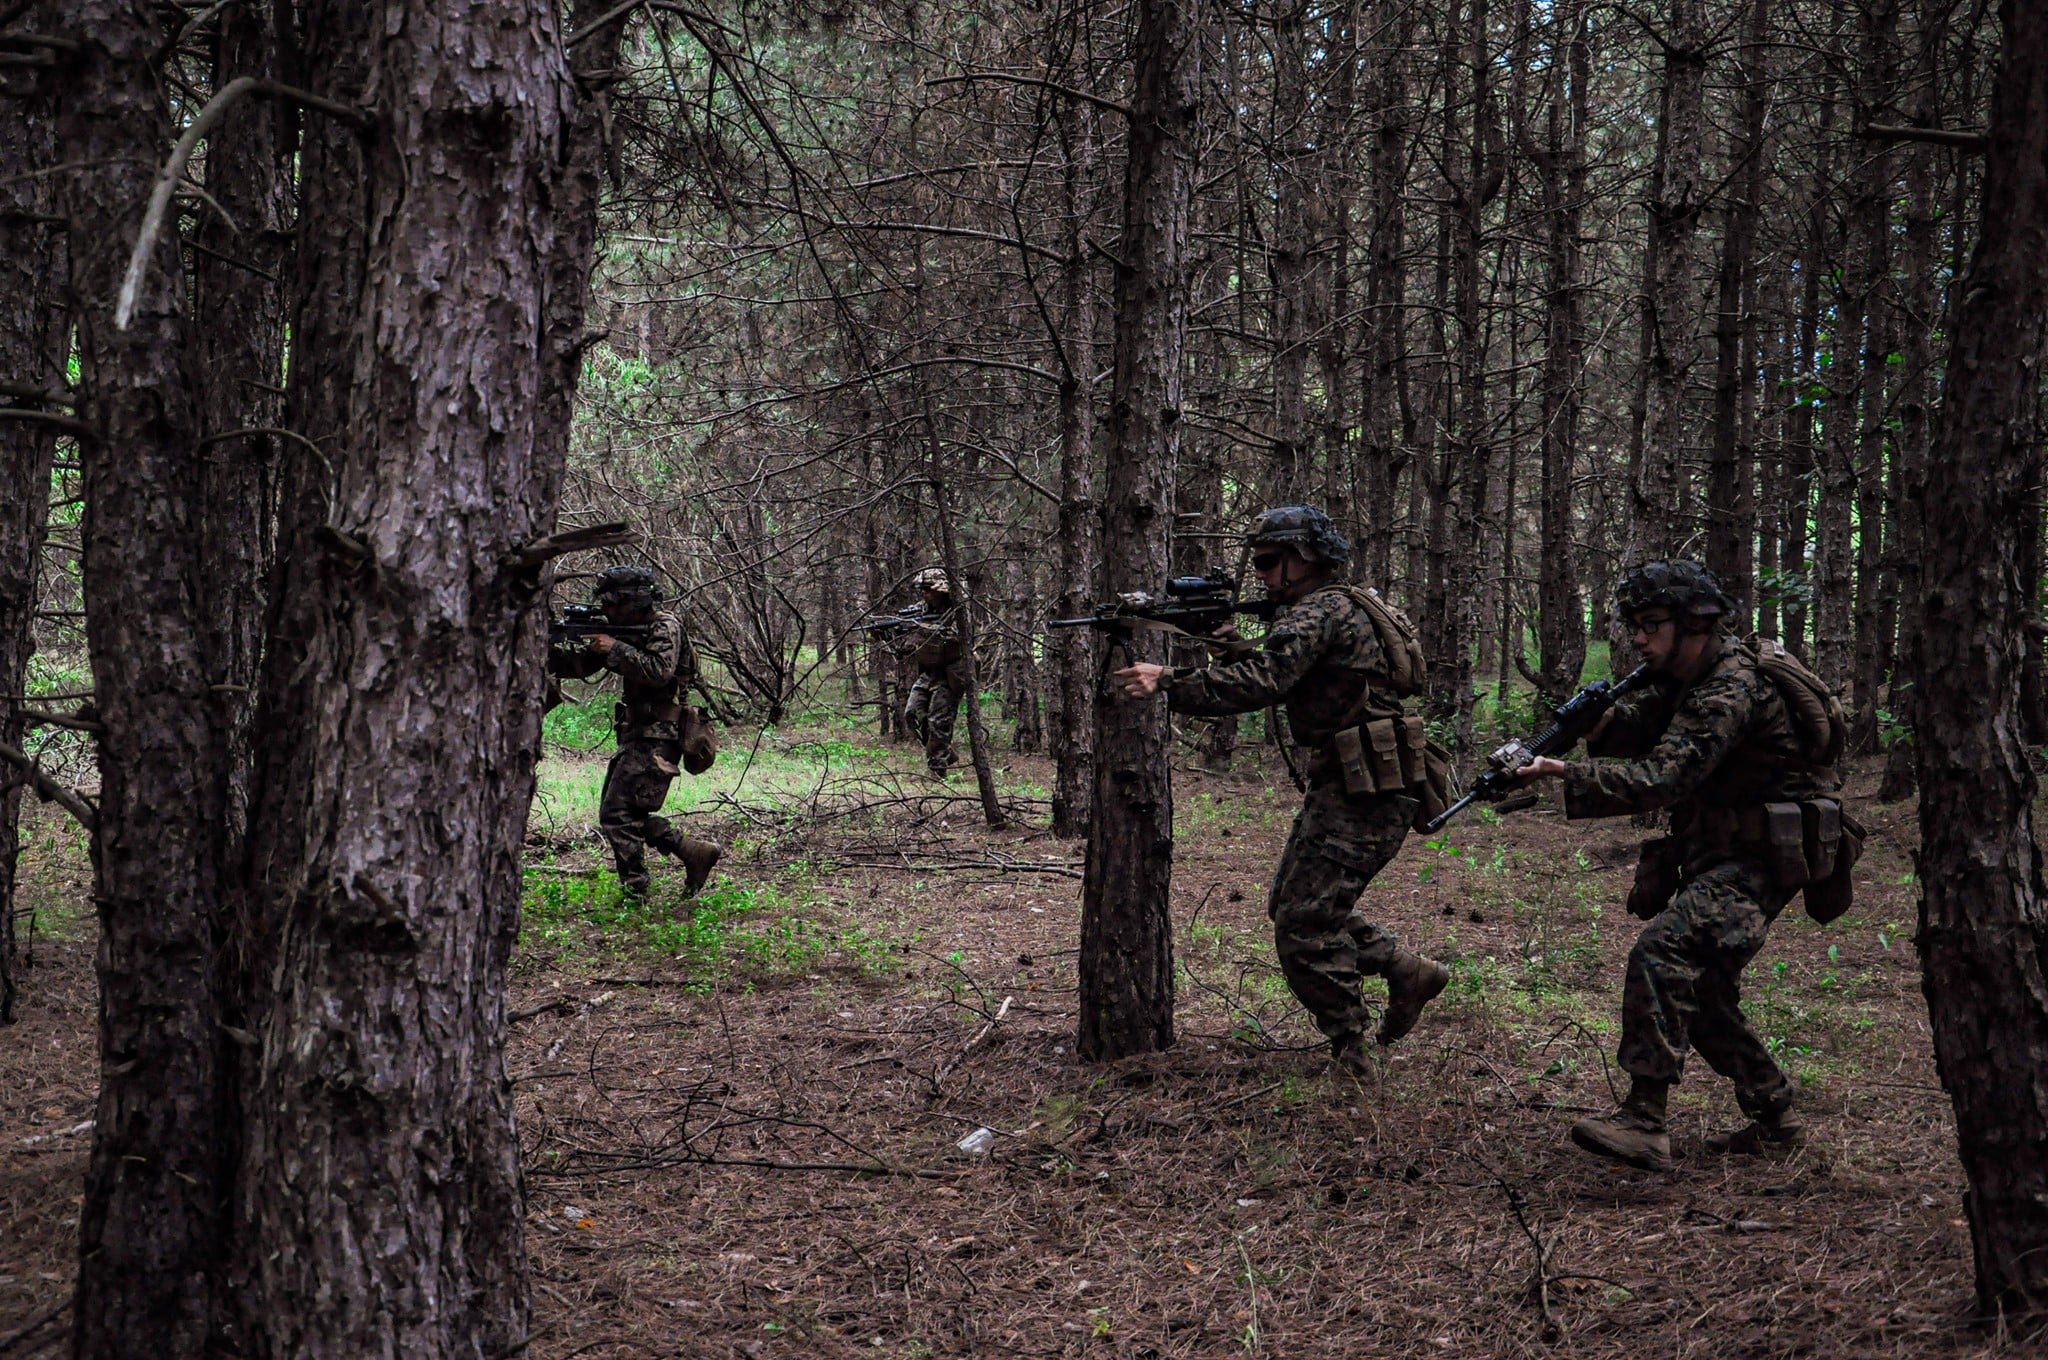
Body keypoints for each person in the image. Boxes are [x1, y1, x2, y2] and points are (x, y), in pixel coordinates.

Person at [1513, 559, 1839, 1171]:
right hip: (1722, 852)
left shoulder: (1731, 687)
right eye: (1635, 624)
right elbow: (1648, 727)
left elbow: (1664, 776)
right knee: (1705, 990)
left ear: (1695, 624)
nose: (1639, 638)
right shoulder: (1686, 680)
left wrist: (1563, 773)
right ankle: (1777, 1119)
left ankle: (1645, 1120)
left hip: (1762, 857)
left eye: (1652, 623)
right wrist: (1596, 724)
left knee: (1665, 954)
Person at [1115, 506, 1450, 1075]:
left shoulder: (1318, 610)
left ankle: (1352, 1050)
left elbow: (1263, 683)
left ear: (1305, 559)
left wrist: (1167, 679)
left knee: (1303, 924)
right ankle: (1404, 968)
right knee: (1295, 907)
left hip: (1363, 787)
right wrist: (1236, 646)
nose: (1263, 575)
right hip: (1364, 780)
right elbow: (1308, 671)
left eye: (1271, 562)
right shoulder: (1342, 604)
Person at [549, 565, 722, 901]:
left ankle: (637, 891)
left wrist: (613, 647)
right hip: (641, 732)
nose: (608, 610)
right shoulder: (627, 630)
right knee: (624, 813)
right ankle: (692, 852)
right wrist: (552, 650)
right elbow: (581, 667)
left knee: (618, 814)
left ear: (634, 601)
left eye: (614, 603)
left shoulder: (663, 626)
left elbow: (658, 672)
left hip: (661, 734)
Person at [897, 567, 966, 778]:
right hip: (928, 672)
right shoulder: (920, 609)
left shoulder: (958, 611)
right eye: (922, 589)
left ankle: (937, 770)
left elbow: (956, 637)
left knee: (939, 721)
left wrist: (925, 629)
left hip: (951, 673)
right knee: (912, 714)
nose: (925, 594)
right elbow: (910, 641)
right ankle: (945, 753)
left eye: (928, 589)